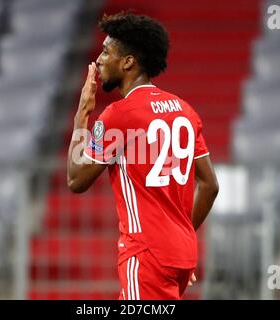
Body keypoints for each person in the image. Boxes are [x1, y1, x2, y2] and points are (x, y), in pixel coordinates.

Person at [67, 11, 219, 300]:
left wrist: (82, 115)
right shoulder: (184, 110)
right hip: (182, 254)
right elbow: (210, 186)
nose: (98, 59)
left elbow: (76, 180)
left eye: (106, 51)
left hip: (145, 254)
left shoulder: (119, 115)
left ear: (128, 62)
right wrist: (176, 238)